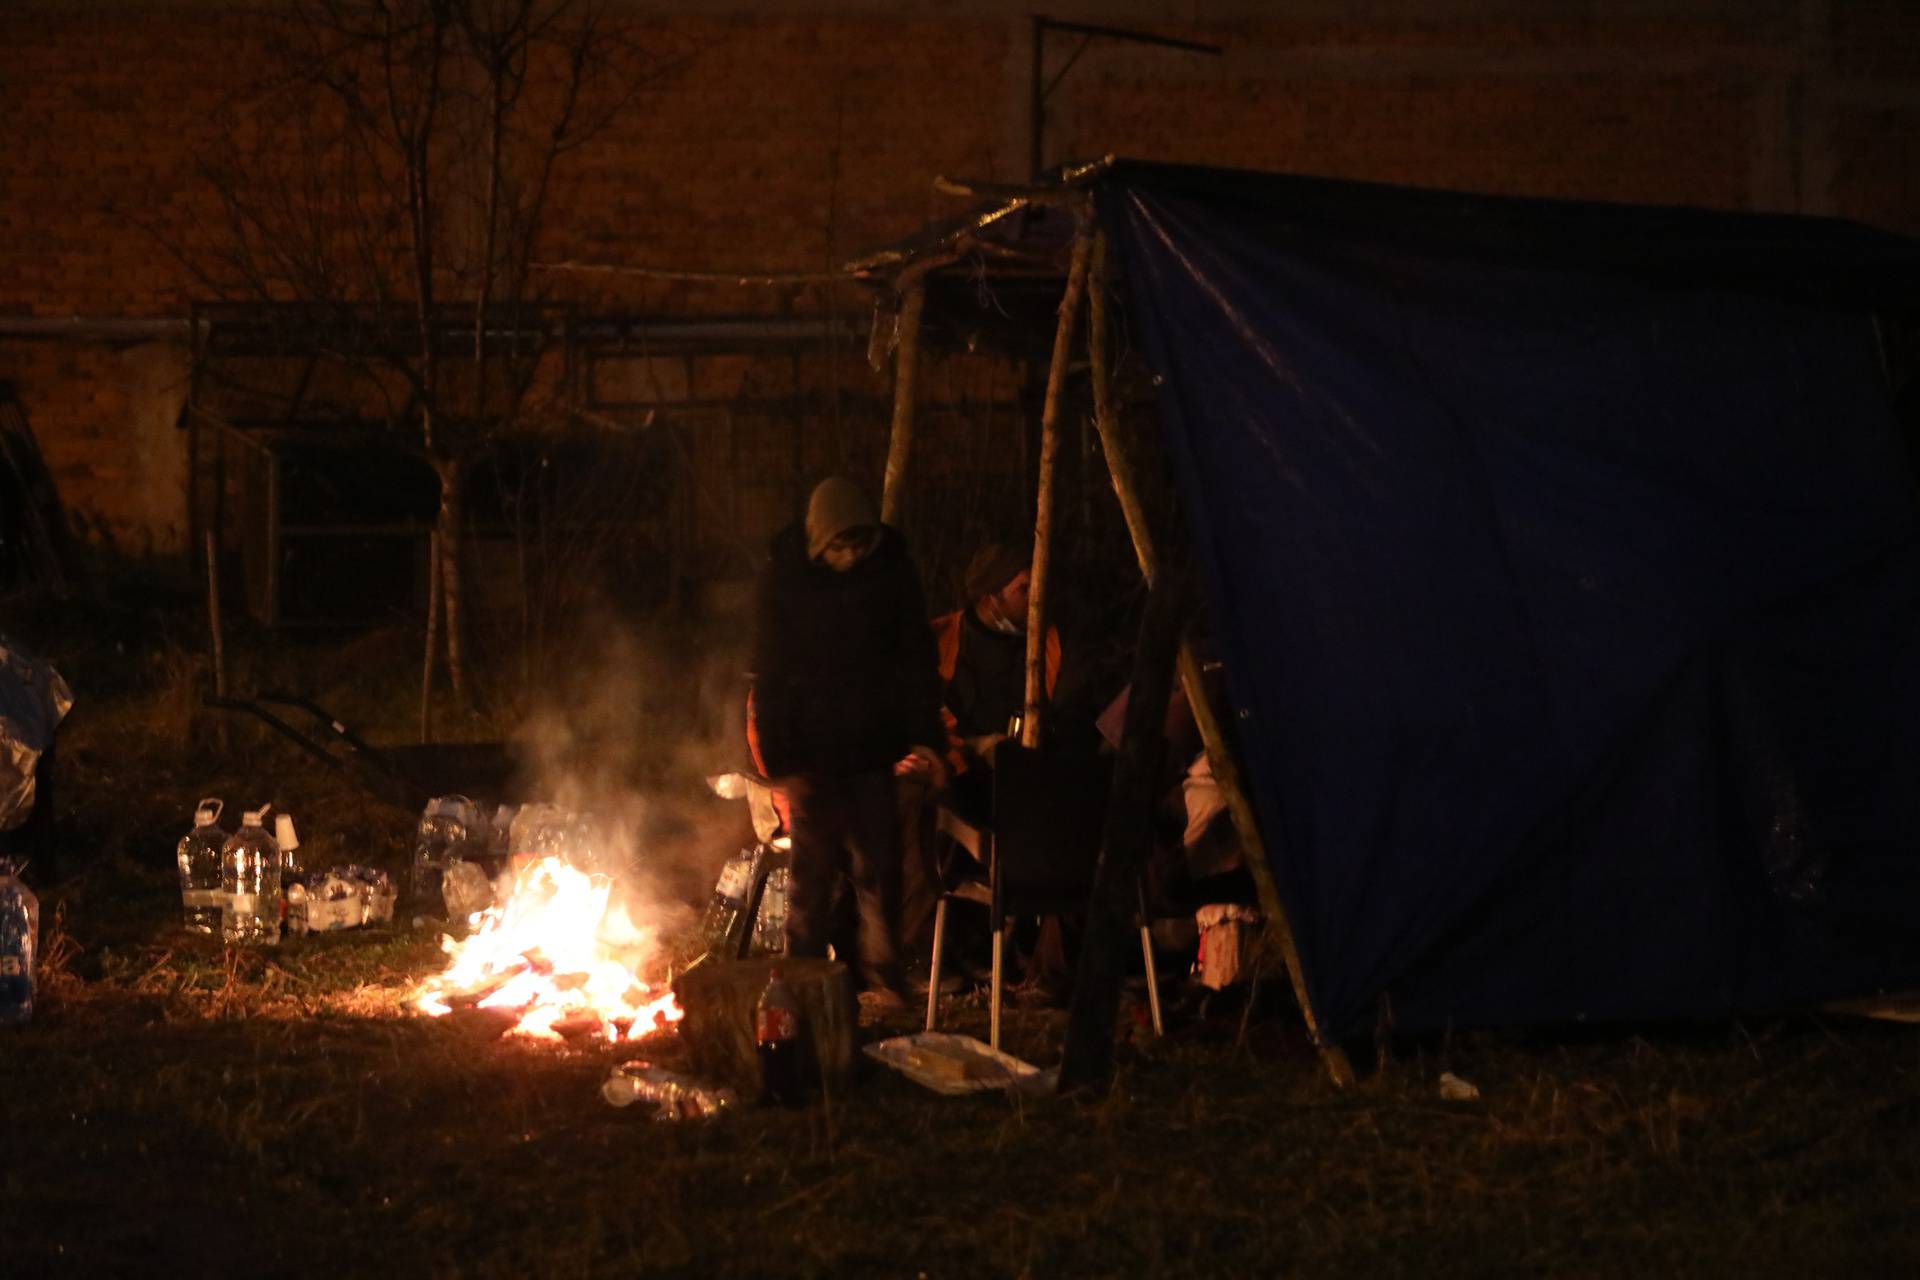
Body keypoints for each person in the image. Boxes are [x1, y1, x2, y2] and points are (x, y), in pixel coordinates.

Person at [747, 477, 946, 1008]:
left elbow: (916, 659)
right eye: (841, 547)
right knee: (811, 877)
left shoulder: (891, 574)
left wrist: (925, 737)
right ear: (819, 543)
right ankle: (805, 986)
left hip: (872, 748)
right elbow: (770, 672)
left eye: (861, 545)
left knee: (879, 869)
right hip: (811, 754)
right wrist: (779, 757)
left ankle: (883, 981)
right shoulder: (786, 579)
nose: (853, 557)